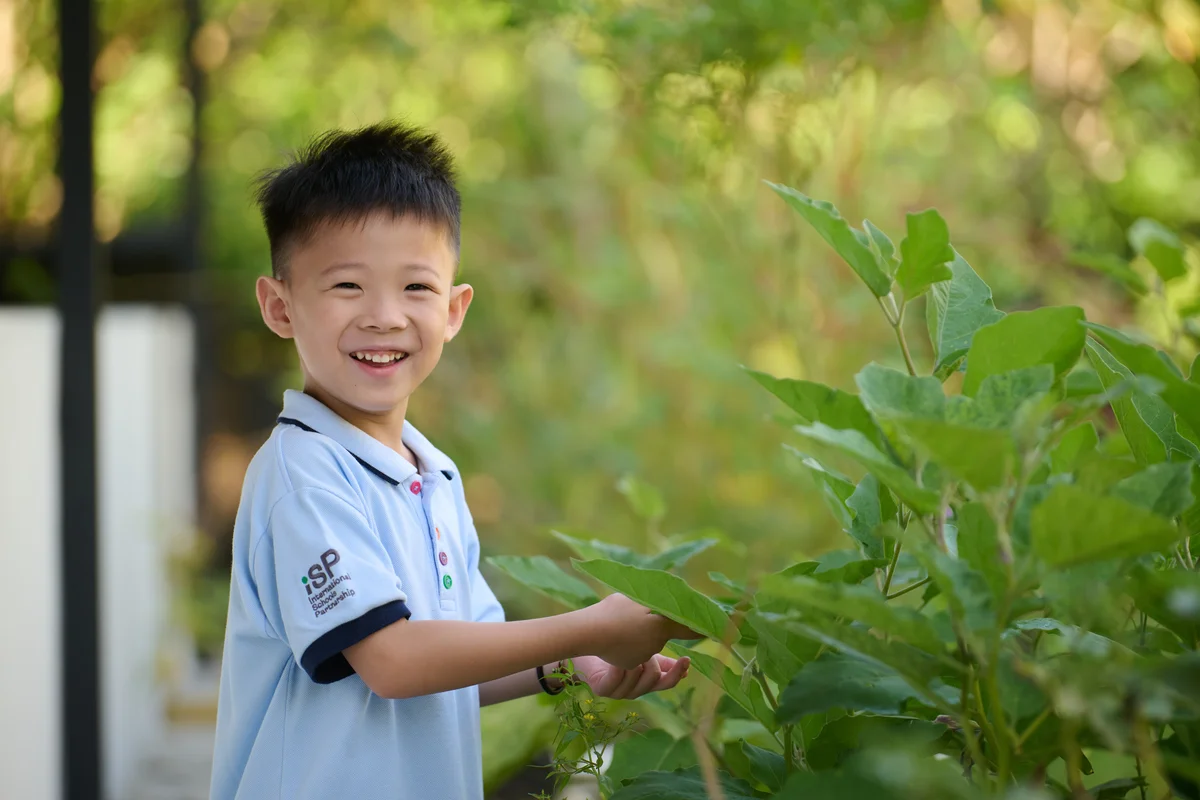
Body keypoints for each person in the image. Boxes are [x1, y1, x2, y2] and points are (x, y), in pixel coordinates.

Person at [208, 122, 696, 800]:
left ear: (454, 308)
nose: (385, 316)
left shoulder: (431, 476)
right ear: (280, 306)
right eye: (347, 286)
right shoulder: (304, 473)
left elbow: (459, 658)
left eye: (416, 288)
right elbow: (393, 662)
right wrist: (596, 624)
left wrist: (570, 661)